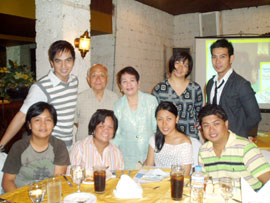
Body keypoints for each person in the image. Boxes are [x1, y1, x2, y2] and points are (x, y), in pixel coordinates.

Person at [0, 40, 78, 149]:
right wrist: (1, 144)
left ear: (73, 61)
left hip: (69, 145)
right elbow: (21, 116)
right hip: (49, 147)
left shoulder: (74, 81)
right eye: (58, 61)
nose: (64, 65)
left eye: (68, 60)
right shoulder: (41, 87)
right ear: (52, 62)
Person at [198, 104, 270, 190]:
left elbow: (268, 181)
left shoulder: (245, 148)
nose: (211, 130)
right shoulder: (203, 151)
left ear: (226, 124)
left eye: (216, 124)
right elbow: (205, 184)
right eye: (206, 126)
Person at [2, 102, 70, 192]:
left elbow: (57, 179)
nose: (43, 125)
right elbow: (8, 181)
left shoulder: (59, 146)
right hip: (20, 194)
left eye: (48, 120)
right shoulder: (19, 147)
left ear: (53, 125)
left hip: (48, 195)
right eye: (37, 120)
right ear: (29, 125)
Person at [206, 38, 261, 138]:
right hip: (214, 140)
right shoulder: (210, 84)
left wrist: (237, 133)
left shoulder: (241, 84)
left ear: (231, 58)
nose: (217, 61)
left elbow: (255, 117)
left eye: (222, 57)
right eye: (214, 57)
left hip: (235, 141)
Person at [112, 66, 158, 170]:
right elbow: (116, 135)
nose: (129, 84)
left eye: (132, 80)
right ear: (120, 86)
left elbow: (157, 129)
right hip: (127, 159)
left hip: (149, 157)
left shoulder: (151, 101)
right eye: (124, 81)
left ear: (138, 83)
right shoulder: (117, 106)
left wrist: (153, 154)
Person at [153, 52, 203, 140]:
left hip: (190, 136)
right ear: (172, 64)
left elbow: (199, 113)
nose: (180, 68)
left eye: (185, 65)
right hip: (166, 136)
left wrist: (199, 125)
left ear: (188, 69)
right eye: (177, 63)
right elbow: (155, 114)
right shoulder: (160, 88)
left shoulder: (195, 88)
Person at [145, 101, 192, 175]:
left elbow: (185, 175)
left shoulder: (184, 142)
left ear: (176, 119)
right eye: (160, 119)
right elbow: (148, 168)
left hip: (176, 182)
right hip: (157, 182)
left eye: (169, 119)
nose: (164, 124)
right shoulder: (154, 139)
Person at [75, 64, 118, 141]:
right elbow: (76, 121)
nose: (98, 79)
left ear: (107, 79)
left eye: (102, 75)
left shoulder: (115, 98)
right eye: (94, 76)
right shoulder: (79, 98)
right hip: (84, 146)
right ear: (88, 79)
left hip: (107, 146)